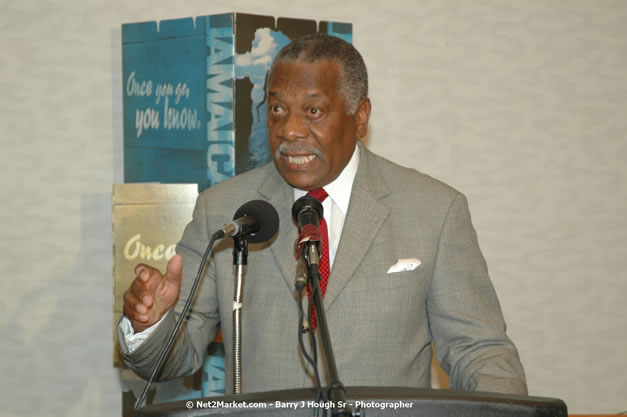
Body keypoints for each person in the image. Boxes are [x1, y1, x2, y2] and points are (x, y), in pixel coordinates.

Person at [119, 33, 527, 395]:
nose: (290, 130)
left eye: (313, 111)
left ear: (360, 116)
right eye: (277, 110)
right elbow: (175, 355)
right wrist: (149, 326)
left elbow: (478, 350)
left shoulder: (435, 211)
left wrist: (505, 409)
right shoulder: (224, 210)